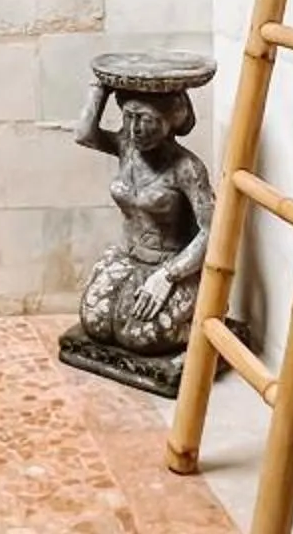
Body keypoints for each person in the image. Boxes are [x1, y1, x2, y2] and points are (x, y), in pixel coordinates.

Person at [73, 70, 215, 357]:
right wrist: (100, 86)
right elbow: (84, 134)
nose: (134, 129)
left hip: (171, 264)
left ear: (170, 121)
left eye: (145, 119)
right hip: (127, 256)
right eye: (128, 117)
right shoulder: (126, 147)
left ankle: (201, 326)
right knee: (96, 321)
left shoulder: (187, 168)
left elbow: (212, 231)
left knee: (140, 336)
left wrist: (168, 276)